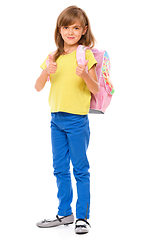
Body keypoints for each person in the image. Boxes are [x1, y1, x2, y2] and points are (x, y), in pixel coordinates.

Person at [35, 5, 99, 234]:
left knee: (80, 169)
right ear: (59, 30)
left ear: (84, 30)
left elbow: (95, 88)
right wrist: (46, 71)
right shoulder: (53, 56)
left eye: (76, 27)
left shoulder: (86, 54)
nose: (70, 32)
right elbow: (38, 86)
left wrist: (83, 74)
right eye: (66, 27)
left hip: (77, 121)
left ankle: (82, 217)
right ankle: (65, 213)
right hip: (56, 120)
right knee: (60, 168)